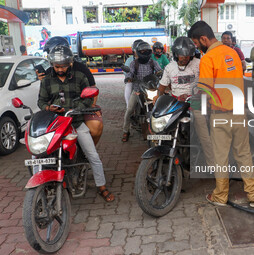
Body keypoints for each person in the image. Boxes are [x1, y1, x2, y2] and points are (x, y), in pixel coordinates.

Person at [188, 21, 254, 208]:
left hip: (220, 116)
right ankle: (253, 196)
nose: (197, 47)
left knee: (220, 157)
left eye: (197, 43)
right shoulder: (232, 53)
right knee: (244, 154)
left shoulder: (208, 59)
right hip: (239, 112)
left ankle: (221, 196)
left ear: (204, 38)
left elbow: (206, 91)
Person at [37, 45, 114, 202]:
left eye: (63, 66)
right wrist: (47, 107)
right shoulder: (46, 81)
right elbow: (41, 100)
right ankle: (41, 188)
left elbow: (88, 98)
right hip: (55, 124)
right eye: (57, 66)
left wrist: (75, 109)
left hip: (76, 122)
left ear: (70, 63)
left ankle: (102, 186)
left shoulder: (79, 77)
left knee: (93, 155)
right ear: (52, 64)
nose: (59, 69)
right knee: (41, 154)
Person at [153, 36, 215, 167]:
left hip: (196, 101)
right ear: (176, 54)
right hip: (176, 103)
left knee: (203, 132)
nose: (185, 57)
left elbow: (208, 82)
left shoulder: (199, 63)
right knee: (162, 129)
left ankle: (212, 165)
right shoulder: (169, 68)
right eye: (182, 55)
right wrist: (158, 97)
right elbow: (162, 87)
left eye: (188, 55)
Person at [38, 36, 103, 145]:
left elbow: (92, 88)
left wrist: (90, 106)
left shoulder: (81, 70)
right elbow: (43, 98)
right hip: (57, 112)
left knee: (95, 128)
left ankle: (87, 151)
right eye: (56, 65)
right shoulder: (50, 72)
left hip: (79, 109)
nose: (59, 69)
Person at [122, 41, 162, 142]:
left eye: (147, 51)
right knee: (129, 109)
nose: (145, 53)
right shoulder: (133, 63)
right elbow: (129, 73)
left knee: (158, 108)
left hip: (150, 89)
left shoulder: (153, 62)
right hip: (137, 90)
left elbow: (159, 70)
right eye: (142, 51)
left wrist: (160, 73)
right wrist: (128, 78)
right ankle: (125, 131)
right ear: (138, 52)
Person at [124, 39, 144, 107]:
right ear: (133, 51)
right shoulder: (129, 60)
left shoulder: (148, 59)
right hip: (134, 80)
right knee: (128, 86)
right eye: (137, 51)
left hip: (145, 80)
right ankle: (128, 105)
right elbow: (125, 71)